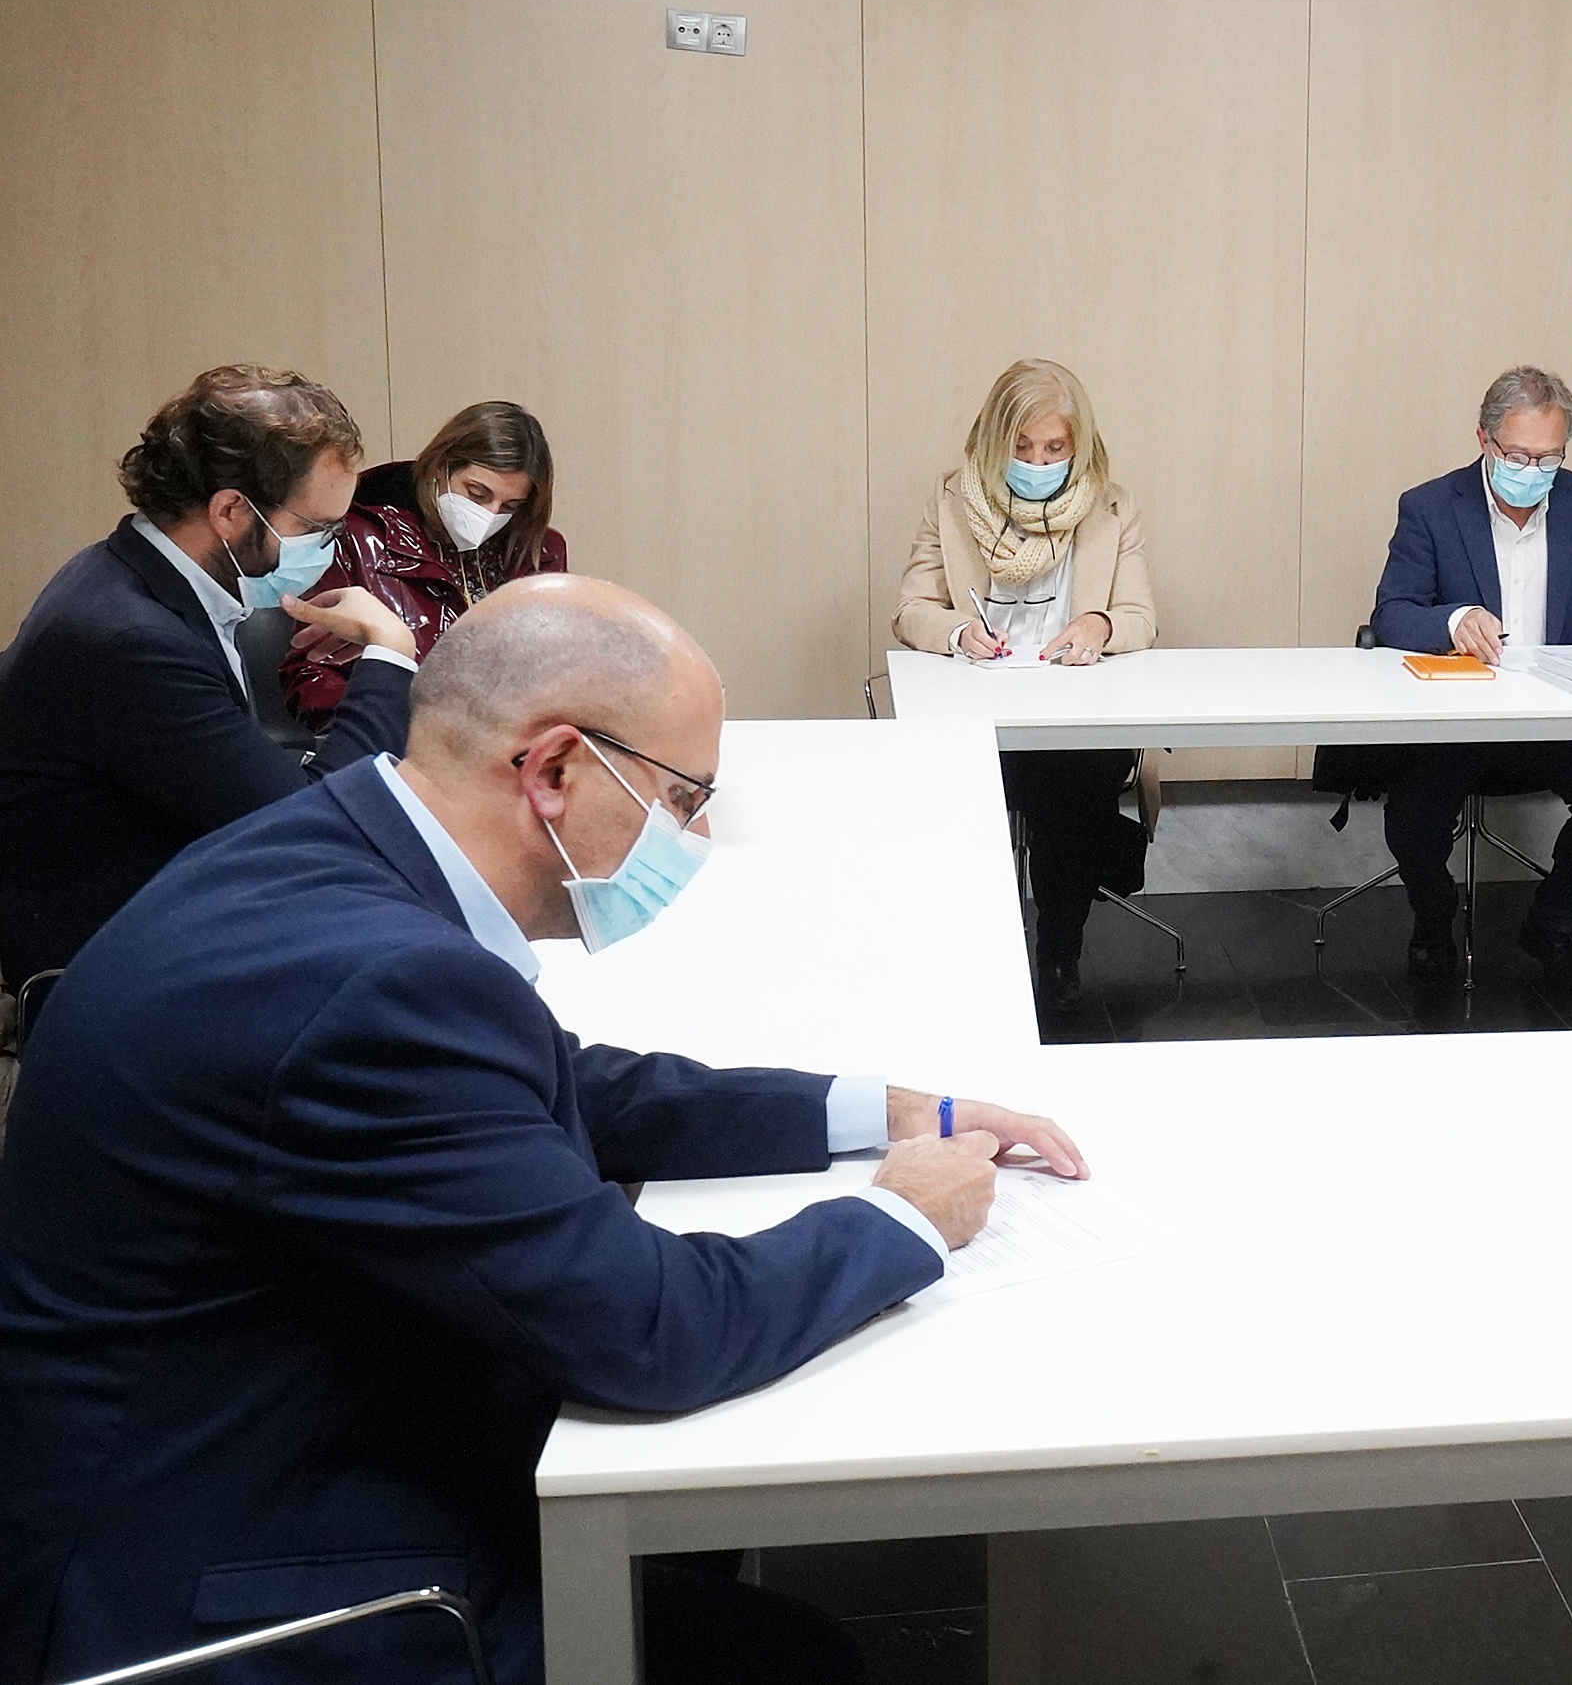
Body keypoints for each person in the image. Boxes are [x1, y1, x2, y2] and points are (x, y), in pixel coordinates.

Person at [0, 574, 1086, 1685]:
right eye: (681, 797)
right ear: (556, 769)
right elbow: (653, 1329)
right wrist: (904, 1215)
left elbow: (555, 1085)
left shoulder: (329, 848)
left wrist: (872, 1109)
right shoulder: (378, 987)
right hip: (214, 1590)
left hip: (224, 1439)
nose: (697, 833)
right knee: (789, 1657)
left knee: (695, 1528)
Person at [0, 366, 421, 1029]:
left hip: (178, 910)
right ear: (229, 511)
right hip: (117, 983)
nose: (330, 549)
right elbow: (316, 831)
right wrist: (389, 651)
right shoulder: (131, 641)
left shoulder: (132, 571)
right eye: (319, 528)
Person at [1368, 366, 1572, 997]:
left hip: (1559, 712)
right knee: (1411, 815)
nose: (1533, 469)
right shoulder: (1430, 506)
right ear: (1484, 439)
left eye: (1549, 457)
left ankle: (1552, 926)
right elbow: (1392, 613)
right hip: (1457, 716)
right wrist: (1452, 620)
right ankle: (1433, 916)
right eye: (1518, 455)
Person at [893, 360, 1157, 1016]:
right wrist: (957, 633)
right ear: (994, 441)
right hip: (973, 712)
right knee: (1045, 795)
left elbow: (1140, 617)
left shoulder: (1110, 507)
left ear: (1079, 445)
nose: (1038, 462)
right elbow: (911, 609)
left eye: (1055, 447)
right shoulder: (953, 500)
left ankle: (1057, 951)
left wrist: (1099, 624)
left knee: (1066, 782)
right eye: (1022, 446)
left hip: (1072, 715)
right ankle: (980, 950)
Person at [282, 399, 568, 728]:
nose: (490, 514)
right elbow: (311, 673)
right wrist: (393, 726)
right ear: (440, 467)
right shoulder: (359, 537)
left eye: (510, 506)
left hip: (508, 740)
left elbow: (553, 672)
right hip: (396, 736)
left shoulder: (535, 551)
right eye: (477, 493)